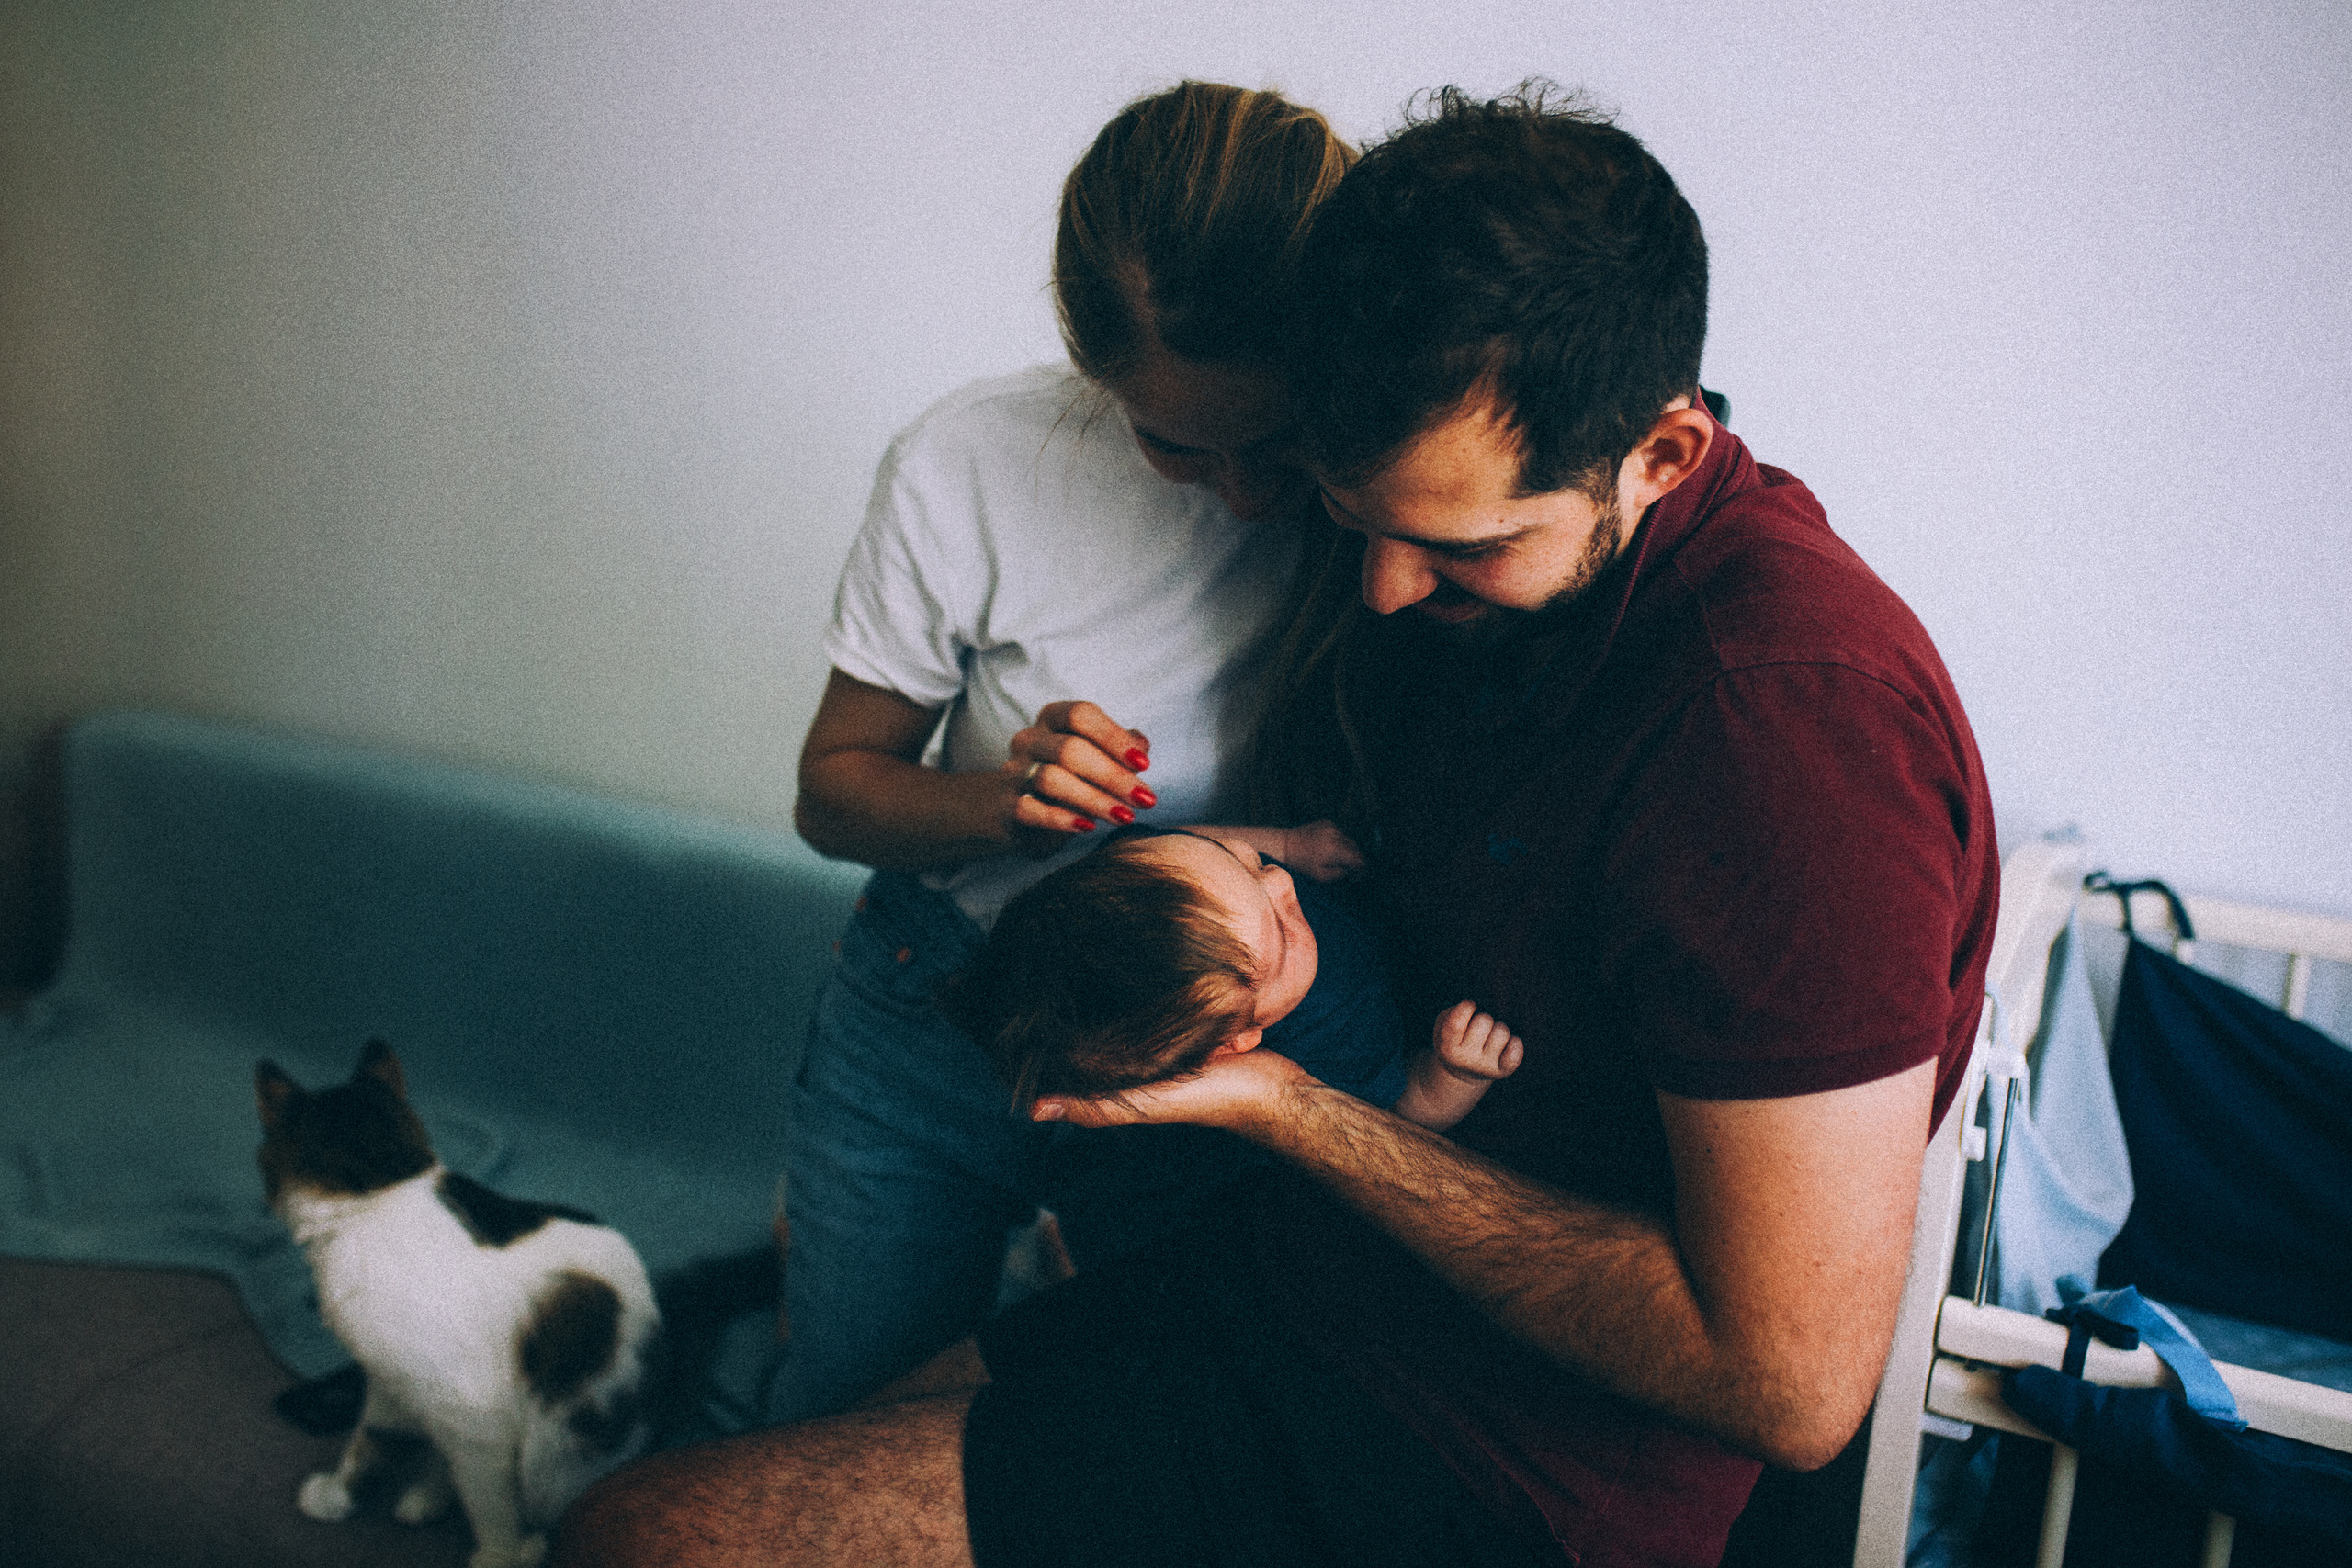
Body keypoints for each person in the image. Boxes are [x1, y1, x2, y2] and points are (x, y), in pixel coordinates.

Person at [553, 85, 2001, 1568]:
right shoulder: (1454, 600)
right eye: (1346, 512)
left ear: (1663, 455)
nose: (1378, 591)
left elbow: (1790, 1383)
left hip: (1475, 1446)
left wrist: (1286, 1107)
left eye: (1458, 545)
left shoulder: (1786, 729)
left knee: (636, 1542)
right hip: (1298, 1280)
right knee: (778, 1449)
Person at [744, 81, 1359, 1432]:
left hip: (1209, 1026)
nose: (1249, 493)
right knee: (834, 1413)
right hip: (935, 1005)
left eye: (1278, 441)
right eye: (1175, 445)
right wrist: (997, 801)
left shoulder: (1393, 482)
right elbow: (831, 791)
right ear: (1092, 375)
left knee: (1155, 1429)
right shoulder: (972, 460)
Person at [943, 823, 1523, 1129]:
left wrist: (1286, 842)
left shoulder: (1172, 873)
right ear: (1241, 1040)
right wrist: (1456, 1072)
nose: (1282, 883)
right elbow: (1410, 1110)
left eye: (1249, 866)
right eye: (1280, 926)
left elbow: (1202, 841)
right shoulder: (1327, 1054)